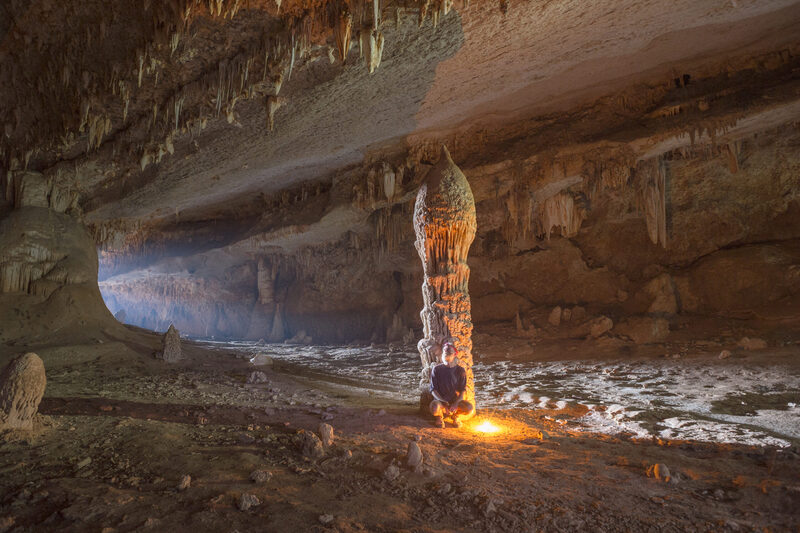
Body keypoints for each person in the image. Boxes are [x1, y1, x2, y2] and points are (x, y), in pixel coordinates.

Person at [429, 342, 474, 428]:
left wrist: (456, 403)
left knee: (469, 408)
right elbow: (433, 390)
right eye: (445, 352)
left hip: (454, 401)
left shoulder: (460, 371)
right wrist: (444, 403)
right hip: (441, 401)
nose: (446, 354)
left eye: (449, 353)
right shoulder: (437, 369)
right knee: (434, 408)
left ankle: (455, 416)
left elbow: (462, 391)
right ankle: (439, 417)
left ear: (454, 355)